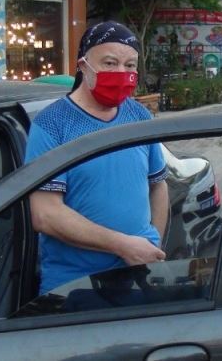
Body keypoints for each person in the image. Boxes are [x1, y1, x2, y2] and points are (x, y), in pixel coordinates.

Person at [25, 21, 169, 295]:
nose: (121, 73)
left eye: (130, 65)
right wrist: (124, 246)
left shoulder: (139, 117)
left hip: (137, 274)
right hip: (75, 284)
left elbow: (158, 185)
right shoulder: (53, 124)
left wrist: (153, 243)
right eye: (110, 63)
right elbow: (45, 214)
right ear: (83, 65)